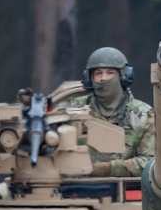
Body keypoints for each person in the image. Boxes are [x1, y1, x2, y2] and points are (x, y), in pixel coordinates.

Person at [60, 46, 155, 178]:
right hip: (73, 188)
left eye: (110, 73)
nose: (103, 78)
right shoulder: (73, 109)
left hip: (122, 190)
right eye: (98, 73)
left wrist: (109, 168)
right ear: (89, 78)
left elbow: (150, 163)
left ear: (123, 76)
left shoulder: (143, 114)